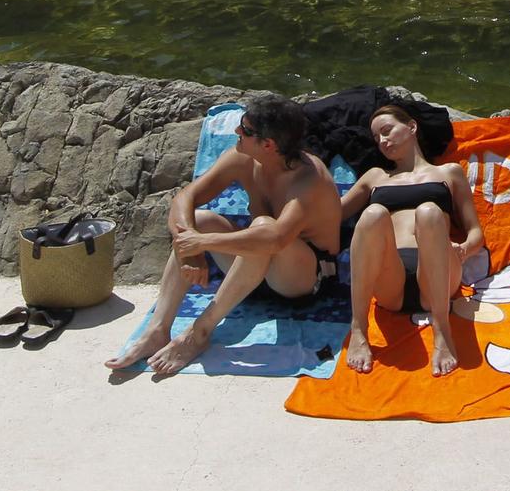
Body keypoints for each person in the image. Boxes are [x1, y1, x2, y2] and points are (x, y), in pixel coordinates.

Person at [103, 93, 343, 376]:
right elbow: (185, 198)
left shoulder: (309, 179)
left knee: (263, 227)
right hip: (251, 275)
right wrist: (191, 248)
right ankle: (158, 329)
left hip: (302, 281)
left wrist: (202, 243)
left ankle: (198, 333)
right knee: (201, 219)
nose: (236, 131)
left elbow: (276, 238)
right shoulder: (240, 159)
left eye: (246, 129)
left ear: (268, 144)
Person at [339, 97, 483, 376]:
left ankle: (442, 330)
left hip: (437, 274)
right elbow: (333, 214)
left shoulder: (448, 173)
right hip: (389, 278)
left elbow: (476, 232)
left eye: (387, 130)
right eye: (376, 137)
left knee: (428, 212)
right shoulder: (375, 176)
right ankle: (359, 327)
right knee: (373, 214)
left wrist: (464, 249)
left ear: (412, 127)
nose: (382, 141)